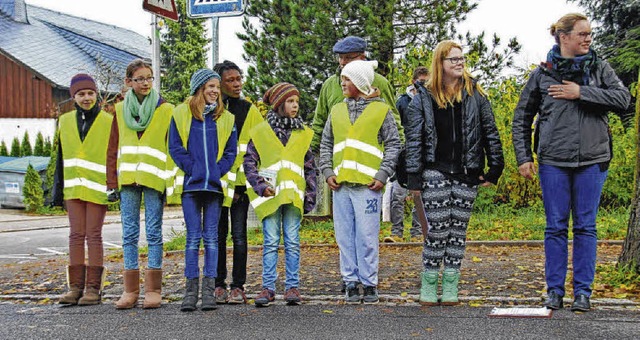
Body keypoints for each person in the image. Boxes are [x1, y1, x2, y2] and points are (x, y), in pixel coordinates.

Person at [512, 13, 631, 312]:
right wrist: (524, 157)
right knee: (554, 227)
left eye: (590, 34)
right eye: (582, 34)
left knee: (586, 227)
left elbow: (623, 99)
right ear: (564, 37)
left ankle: (582, 293)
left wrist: (581, 93)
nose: (588, 39)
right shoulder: (543, 74)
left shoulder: (600, 68)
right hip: (553, 160)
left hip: (593, 159)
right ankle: (554, 291)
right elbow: (521, 118)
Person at [405, 40, 504, 306]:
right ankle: (428, 281)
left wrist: (495, 168)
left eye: (461, 59)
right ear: (441, 64)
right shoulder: (423, 97)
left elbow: (490, 131)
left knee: (458, 231)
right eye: (454, 59)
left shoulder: (475, 94)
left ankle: (450, 284)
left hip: (466, 172)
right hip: (434, 171)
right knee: (437, 229)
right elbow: (413, 138)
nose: (460, 63)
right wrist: (413, 176)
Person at [319, 60, 401, 304]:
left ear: (361, 82)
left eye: (347, 79)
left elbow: (394, 144)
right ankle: (350, 281)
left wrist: (383, 174)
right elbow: (326, 144)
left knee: (367, 236)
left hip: (368, 187)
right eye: (342, 79)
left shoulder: (381, 110)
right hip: (341, 185)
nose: (342, 83)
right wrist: (327, 171)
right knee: (344, 236)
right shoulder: (336, 111)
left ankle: (369, 281)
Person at [107, 59, 174, 309]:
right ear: (128, 82)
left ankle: (153, 289)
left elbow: (172, 147)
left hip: (155, 179)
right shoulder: (120, 109)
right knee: (129, 234)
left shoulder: (166, 109)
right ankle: (130, 290)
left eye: (149, 78)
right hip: (127, 180)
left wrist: (171, 183)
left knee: (154, 233)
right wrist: (111, 181)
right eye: (140, 79)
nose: (146, 83)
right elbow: (113, 146)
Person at [168, 69, 238, 312]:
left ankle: (208, 291)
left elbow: (231, 151)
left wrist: (216, 171)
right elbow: (175, 148)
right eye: (210, 86)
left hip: (215, 188)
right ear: (199, 88)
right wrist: (194, 169)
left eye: (217, 87)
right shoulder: (181, 114)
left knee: (212, 239)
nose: (215, 91)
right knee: (192, 239)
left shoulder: (226, 118)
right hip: (191, 186)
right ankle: (190, 292)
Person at [244, 82, 316, 307]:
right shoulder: (261, 132)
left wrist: (310, 196)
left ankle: (292, 287)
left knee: (293, 241)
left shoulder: (303, 133)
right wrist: (259, 185)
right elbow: (249, 162)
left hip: (293, 197)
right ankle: (268, 288)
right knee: (271, 241)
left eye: (297, 102)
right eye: (290, 101)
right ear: (278, 104)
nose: (295, 106)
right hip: (270, 196)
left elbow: (309, 167)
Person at [52, 73, 113, 306]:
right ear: (73, 97)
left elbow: (111, 156)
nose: (86, 98)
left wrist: (112, 186)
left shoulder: (108, 121)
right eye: (81, 94)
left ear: (96, 94)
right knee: (75, 236)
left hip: (97, 188)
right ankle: (75, 287)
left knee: (93, 235)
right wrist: (58, 192)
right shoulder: (65, 120)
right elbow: (60, 157)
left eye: (90, 93)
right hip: (73, 188)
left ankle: (93, 289)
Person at [212, 60, 264, 304]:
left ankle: (238, 286)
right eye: (230, 80)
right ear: (218, 83)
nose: (237, 84)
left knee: (240, 236)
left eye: (239, 79)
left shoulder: (248, 109)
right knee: (218, 236)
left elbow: (260, 145)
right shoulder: (209, 109)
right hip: (215, 183)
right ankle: (218, 284)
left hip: (240, 184)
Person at [311, 35, 404, 153]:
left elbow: (394, 122)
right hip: (338, 162)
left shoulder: (380, 82)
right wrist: (309, 153)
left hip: (373, 161)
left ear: (362, 57)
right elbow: (319, 123)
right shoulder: (329, 85)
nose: (343, 62)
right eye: (340, 57)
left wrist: (399, 155)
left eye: (348, 58)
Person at [385, 66, 430, 243]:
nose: (423, 84)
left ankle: (417, 232)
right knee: (398, 192)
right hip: (404, 152)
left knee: (421, 193)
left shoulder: (431, 101)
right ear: (413, 81)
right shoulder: (402, 102)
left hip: (423, 151)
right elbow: (395, 124)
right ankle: (397, 231)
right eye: (421, 81)